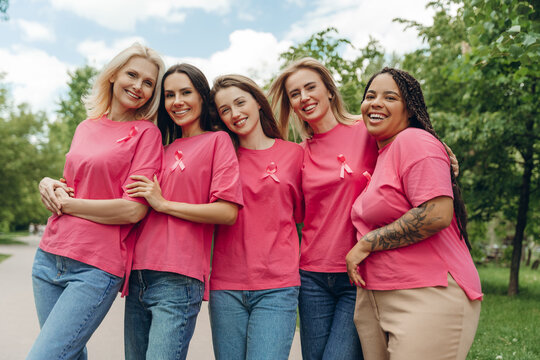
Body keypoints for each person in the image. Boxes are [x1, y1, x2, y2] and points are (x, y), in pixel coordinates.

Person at [30, 43, 165, 360]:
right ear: (114, 75)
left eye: (148, 83)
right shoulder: (86, 126)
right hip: (49, 256)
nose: (138, 86)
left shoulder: (146, 134)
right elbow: (71, 186)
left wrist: (70, 207)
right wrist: (47, 183)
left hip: (95, 267)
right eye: (132, 75)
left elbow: (133, 209)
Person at [345, 67, 482, 360]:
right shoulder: (383, 152)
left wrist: (367, 243)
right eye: (370, 96)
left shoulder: (414, 141)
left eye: (390, 97)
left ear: (410, 111)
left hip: (427, 293)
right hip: (376, 296)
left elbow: (436, 214)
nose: (376, 102)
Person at [123, 64, 243, 360]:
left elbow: (227, 212)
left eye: (186, 92)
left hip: (179, 278)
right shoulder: (158, 148)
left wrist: (163, 204)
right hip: (138, 274)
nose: (177, 101)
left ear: (203, 97)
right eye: (169, 95)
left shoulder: (218, 141)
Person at [269, 57, 377, 359]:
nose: (304, 98)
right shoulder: (297, 153)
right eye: (295, 94)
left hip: (357, 273)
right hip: (311, 276)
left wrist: (441, 150)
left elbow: (407, 147)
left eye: (310, 87)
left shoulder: (366, 130)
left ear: (329, 91)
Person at [208, 74, 304, 359]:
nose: (235, 114)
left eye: (240, 103)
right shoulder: (219, 156)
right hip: (225, 287)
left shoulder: (295, 154)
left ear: (258, 102)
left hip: (277, 286)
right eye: (225, 110)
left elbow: (306, 214)